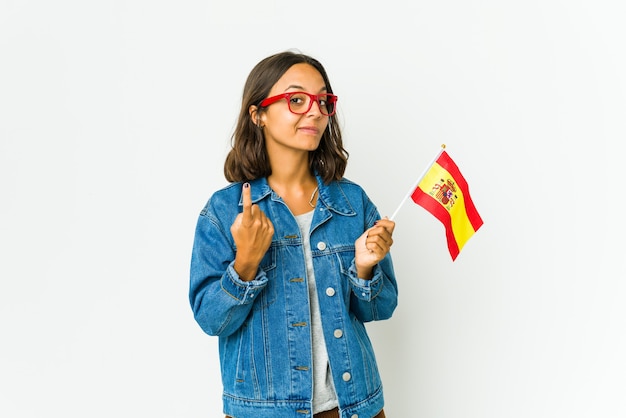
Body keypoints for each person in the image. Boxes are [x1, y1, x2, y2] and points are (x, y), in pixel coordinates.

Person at [189, 50, 398, 418]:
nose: (315, 111)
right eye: (296, 100)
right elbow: (211, 320)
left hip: (354, 408)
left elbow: (381, 308)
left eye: (322, 101)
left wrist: (365, 269)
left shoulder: (352, 203)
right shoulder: (225, 212)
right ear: (259, 115)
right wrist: (246, 264)